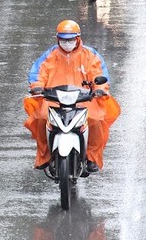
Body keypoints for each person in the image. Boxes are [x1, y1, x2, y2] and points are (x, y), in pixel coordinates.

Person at [24, 20, 121, 172]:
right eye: (63, 39)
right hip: (53, 100)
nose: (67, 43)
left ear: (77, 38)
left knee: (95, 120)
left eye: (70, 39)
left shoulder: (90, 55)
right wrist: (37, 87)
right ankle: (45, 156)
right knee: (41, 118)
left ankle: (91, 157)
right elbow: (38, 73)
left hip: (84, 100)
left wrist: (99, 88)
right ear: (57, 39)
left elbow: (99, 74)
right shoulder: (50, 55)